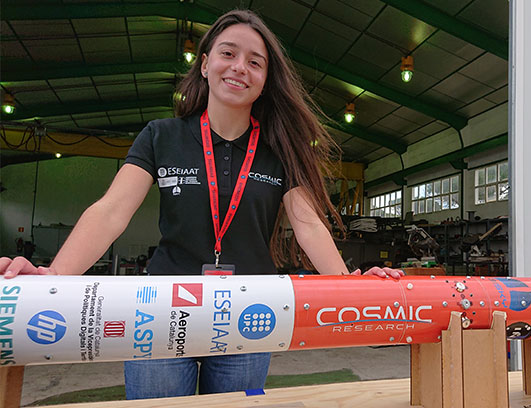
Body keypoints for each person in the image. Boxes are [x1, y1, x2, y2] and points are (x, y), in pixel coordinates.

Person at [0, 9, 402, 399]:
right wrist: (54, 277)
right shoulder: (161, 136)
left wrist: (351, 285)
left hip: (248, 312)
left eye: (255, 62)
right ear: (206, 64)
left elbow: (308, 224)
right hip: (159, 312)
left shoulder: (279, 151)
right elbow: (111, 211)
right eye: (228, 53)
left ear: (265, 81)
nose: (240, 67)